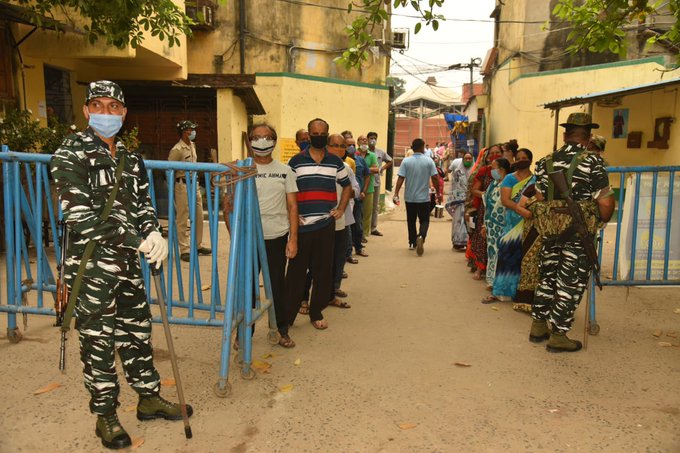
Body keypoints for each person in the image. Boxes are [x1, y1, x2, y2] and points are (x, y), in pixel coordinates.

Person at [51, 81, 190, 450]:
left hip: (128, 263)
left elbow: (142, 203)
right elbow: (78, 214)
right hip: (91, 268)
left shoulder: (130, 156)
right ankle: (106, 416)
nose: (106, 113)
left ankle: (148, 398)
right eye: (98, 105)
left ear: (124, 113)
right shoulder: (70, 152)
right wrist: (136, 239)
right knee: (98, 343)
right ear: (85, 110)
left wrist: (154, 233)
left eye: (114, 107)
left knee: (137, 332)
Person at [528, 112, 614, 352]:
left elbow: (541, 197)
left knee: (547, 276)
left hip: (551, 231)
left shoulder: (546, 161)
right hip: (578, 233)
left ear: (565, 135)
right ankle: (558, 336)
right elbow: (606, 202)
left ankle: (538, 326)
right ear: (587, 137)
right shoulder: (592, 162)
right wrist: (599, 221)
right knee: (569, 281)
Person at [283, 118, 351, 332]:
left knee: (323, 271)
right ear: (309, 135)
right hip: (301, 226)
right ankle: (288, 315)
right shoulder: (296, 161)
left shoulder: (336, 162)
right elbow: (287, 191)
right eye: (315, 133)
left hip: (325, 225)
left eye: (323, 133)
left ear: (327, 134)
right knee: (295, 272)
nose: (318, 136)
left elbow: (347, 186)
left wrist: (340, 208)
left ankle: (316, 311)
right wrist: (291, 215)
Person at [249, 123, 299, 348]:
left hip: (277, 236)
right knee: (247, 287)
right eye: (257, 137)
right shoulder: (243, 169)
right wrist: (235, 235)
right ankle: (244, 334)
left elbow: (292, 207)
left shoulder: (285, 170)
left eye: (266, 137)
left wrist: (293, 238)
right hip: (249, 238)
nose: (262, 141)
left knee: (277, 286)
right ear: (250, 141)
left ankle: (281, 330)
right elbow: (229, 206)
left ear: (274, 141)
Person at [483, 149, 536, 303]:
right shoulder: (509, 179)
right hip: (512, 222)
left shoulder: (536, 180)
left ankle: (521, 293)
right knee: (507, 256)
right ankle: (501, 291)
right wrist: (521, 210)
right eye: (518, 158)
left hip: (529, 222)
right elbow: (505, 201)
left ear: (530, 160)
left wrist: (528, 213)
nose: (521, 160)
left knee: (525, 258)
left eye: (524, 158)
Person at [168, 120, 211, 262]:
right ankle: (184, 249)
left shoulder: (192, 145)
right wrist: (172, 190)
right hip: (182, 185)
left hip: (195, 184)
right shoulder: (177, 150)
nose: (193, 132)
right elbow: (170, 170)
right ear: (184, 132)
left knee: (199, 215)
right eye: (191, 129)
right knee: (182, 218)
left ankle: (197, 245)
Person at [392, 138, 439, 256]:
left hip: (410, 197)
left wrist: (396, 193)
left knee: (411, 220)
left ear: (412, 148)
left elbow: (401, 178)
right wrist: (438, 192)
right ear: (423, 147)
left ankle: (412, 242)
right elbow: (434, 178)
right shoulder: (429, 161)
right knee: (424, 220)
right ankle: (421, 236)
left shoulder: (406, 161)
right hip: (424, 198)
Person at [465, 144, 503, 280]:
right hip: (485, 210)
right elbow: (474, 190)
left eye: (497, 152)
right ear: (487, 157)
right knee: (482, 238)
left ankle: (496, 270)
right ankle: (480, 268)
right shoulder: (484, 171)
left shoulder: (508, 173)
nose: (494, 155)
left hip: (502, 211)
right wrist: (488, 195)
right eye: (491, 153)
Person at [481, 158, 510, 291]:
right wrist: (484, 225)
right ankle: (491, 280)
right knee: (492, 252)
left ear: (501, 170)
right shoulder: (493, 184)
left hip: (503, 224)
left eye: (493, 168)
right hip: (491, 225)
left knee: (501, 252)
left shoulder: (507, 184)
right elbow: (487, 205)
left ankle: (499, 282)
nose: (491, 171)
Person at [367, 131, 393, 237]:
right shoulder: (364, 152)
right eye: (371, 138)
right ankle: (364, 228)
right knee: (365, 207)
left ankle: (373, 228)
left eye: (374, 138)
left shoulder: (380, 152)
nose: (372, 140)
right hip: (366, 183)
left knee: (375, 206)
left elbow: (390, 161)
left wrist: (382, 168)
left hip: (376, 182)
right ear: (367, 139)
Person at [446, 152, 474, 250]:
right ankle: (457, 242)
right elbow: (454, 185)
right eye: (466, 159)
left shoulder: (475, 171)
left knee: (469, 222)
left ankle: (468, 243)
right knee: (458, 220)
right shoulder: (457, 171)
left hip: (471, 201)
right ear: (462, 159)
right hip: (459, 201)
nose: (468, 160)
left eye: (470, 158)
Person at [356, 135, 378, 244]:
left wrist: (364, 169)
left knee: (367, 212)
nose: (364, 141)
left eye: (366, 140)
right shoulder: (354, 154)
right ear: (357, 142)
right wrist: (369, 169)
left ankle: (363, 234)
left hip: (368, 189)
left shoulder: (372, 155)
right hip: (356, 188)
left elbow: (376, 169)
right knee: (357, 213)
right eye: (362, 140)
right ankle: (357, 233)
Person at [350, 141, 370, 260]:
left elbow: (367, 175)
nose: (351, 147)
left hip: (357, 199)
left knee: (357, 225)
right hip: (345, 201)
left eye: (352, 144)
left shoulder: (360, 160)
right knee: (346, 227)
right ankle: (347, 253)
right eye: (348, 145)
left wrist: (364, 191)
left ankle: (358, 247)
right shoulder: (341, 162)